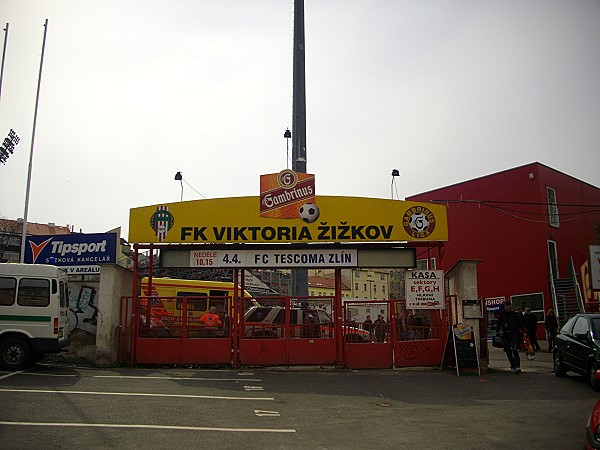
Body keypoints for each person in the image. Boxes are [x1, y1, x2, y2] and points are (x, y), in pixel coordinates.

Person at [497, 300, 526, 373]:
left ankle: (517, 366)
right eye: (505, 306)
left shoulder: (514, 314)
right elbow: (498, 323)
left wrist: (524, 331)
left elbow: (520, 323)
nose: (506, 307)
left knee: (515, 350)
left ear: (510, 306)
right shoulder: (502, 314)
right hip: (505, 334)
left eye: (507, 306)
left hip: (513, 333)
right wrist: (499, 330)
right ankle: (512, 366)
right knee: (508, 351)